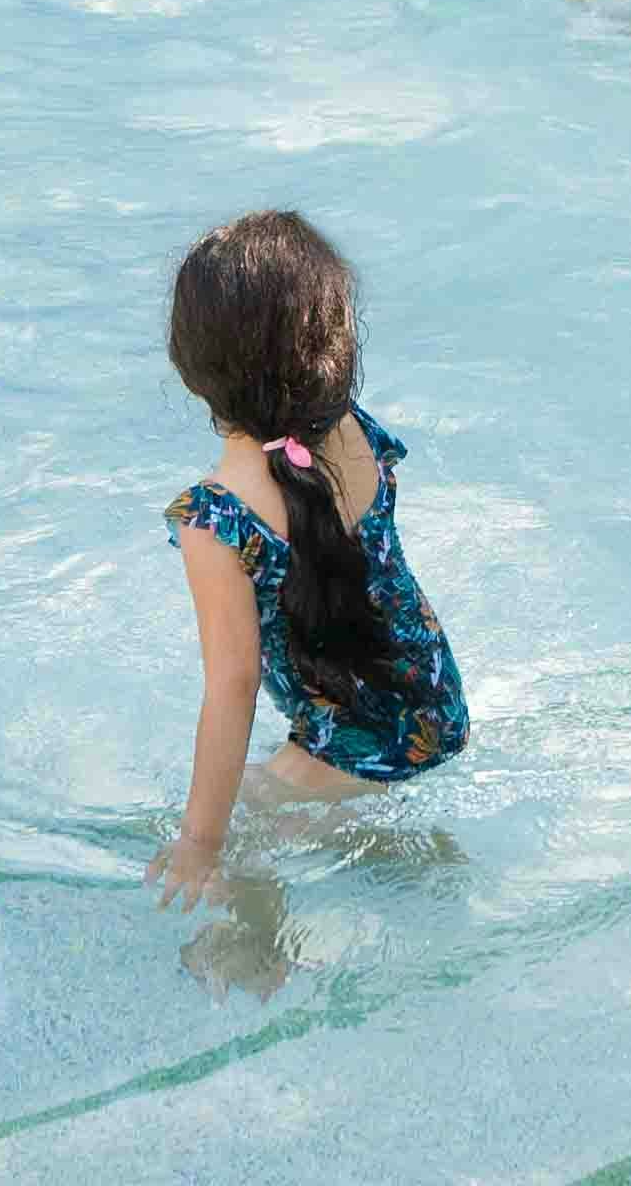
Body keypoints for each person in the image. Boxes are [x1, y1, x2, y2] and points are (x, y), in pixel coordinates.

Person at [154, 208, 470, 919]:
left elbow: (231, 689)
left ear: (188, 365)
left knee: (244, 817)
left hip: (359, 738)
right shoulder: (352, 428)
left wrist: (200, 846)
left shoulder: (216, 519)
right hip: (433, 703)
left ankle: (260, 952)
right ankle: (417, 861)